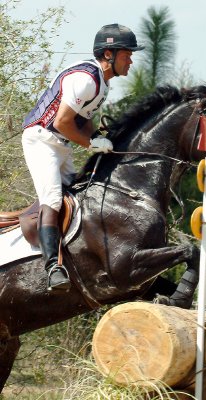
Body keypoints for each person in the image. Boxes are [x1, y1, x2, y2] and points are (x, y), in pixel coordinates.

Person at [22, 23, 144, 292]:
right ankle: (53, 267)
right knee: (53, 198)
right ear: (109, 54)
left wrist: (102, 140)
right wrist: (91, 143)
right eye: (127, 55)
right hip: (41, 140)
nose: (131, 61)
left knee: (77, 193)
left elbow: (82, 120)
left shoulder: (103, 84)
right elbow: (64, 122)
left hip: (61, 144)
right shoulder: (86, 79)